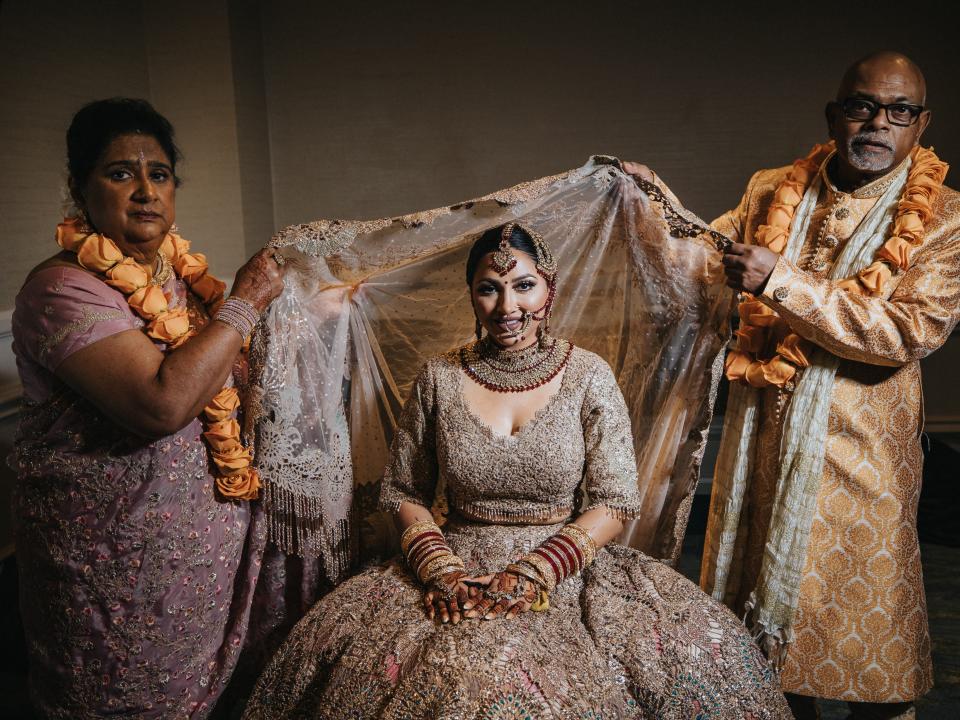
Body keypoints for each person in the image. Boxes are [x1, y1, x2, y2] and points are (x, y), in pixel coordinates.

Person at [242, 222, 790, 719]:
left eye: (524, 285)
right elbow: (405, 490)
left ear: (549, 290)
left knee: (705, 654)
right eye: (489, 287)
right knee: (458, 676)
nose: (508, 305)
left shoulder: (587, 376)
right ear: (472, 296)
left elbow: (616, 501)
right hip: (453, 563)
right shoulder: (438, 377)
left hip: (565, 566)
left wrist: (535, 573)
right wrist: (442, 571)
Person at [700, 51, 960, 719]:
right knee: (767, 666)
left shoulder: (945, 217)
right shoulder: (773, 188)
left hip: (860, 464)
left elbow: (907, 332)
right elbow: (704, 265)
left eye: (898, 112)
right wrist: (645, 207)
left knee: (865, 650)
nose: (878, 123)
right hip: (760, 447)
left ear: (920, 123)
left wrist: (779, 282)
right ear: (834, 114)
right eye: (862, 106)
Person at [10, 98, 285, 718]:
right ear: (80, 188)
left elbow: (228, 372)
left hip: (197, 568)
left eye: (158, 174)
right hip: (111, 576)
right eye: (119, 173)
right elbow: (161, 404)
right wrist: (245, 302)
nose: (144, 192)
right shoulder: (60, 289)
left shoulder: (176, 279)